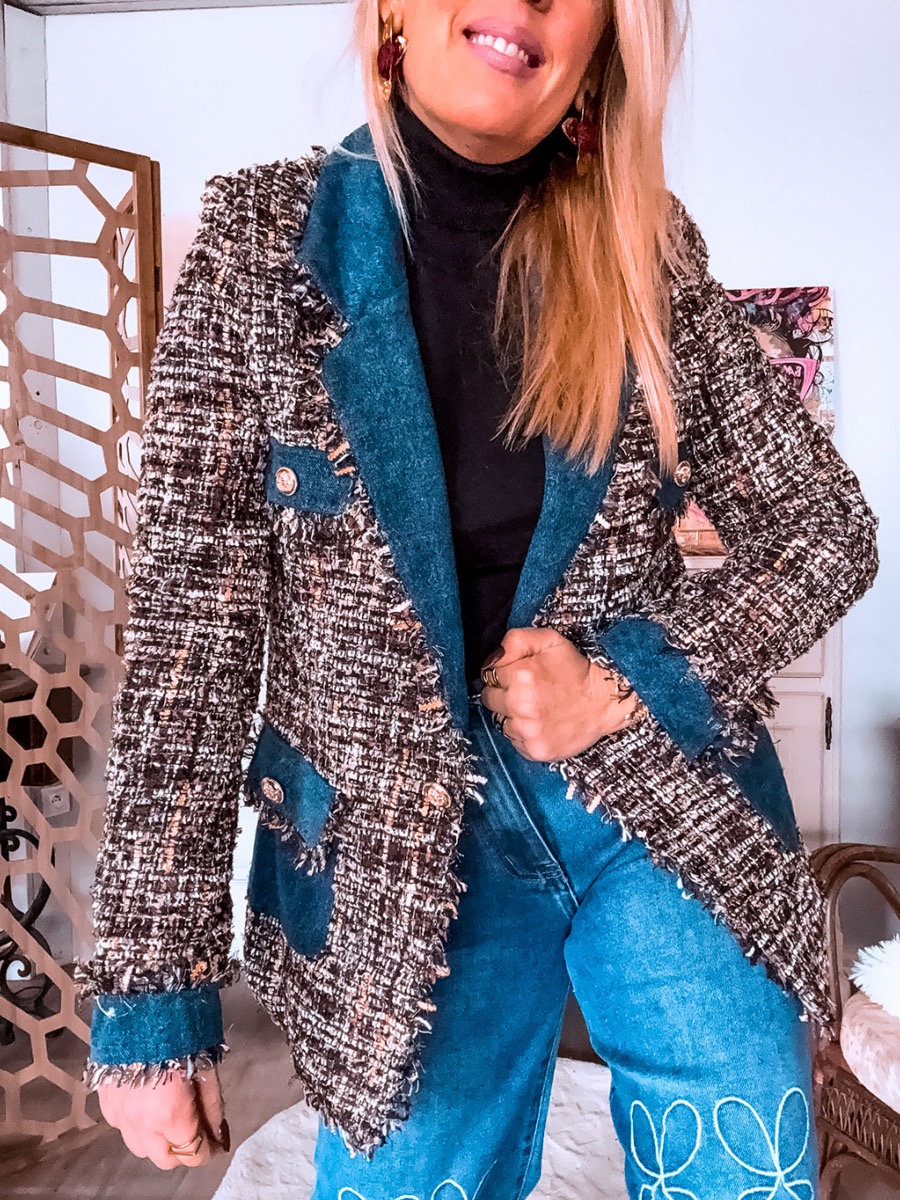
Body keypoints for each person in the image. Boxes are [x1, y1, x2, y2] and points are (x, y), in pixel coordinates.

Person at [76, 0, 880, 1196]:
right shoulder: (258, 245)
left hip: (661, 809)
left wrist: (628, 680)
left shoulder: (647, 253)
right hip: (398, 855)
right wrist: (151, 998)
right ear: (393, 10)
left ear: (603, 48)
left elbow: (824, 530)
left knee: (746, 1176)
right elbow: (188, 646)